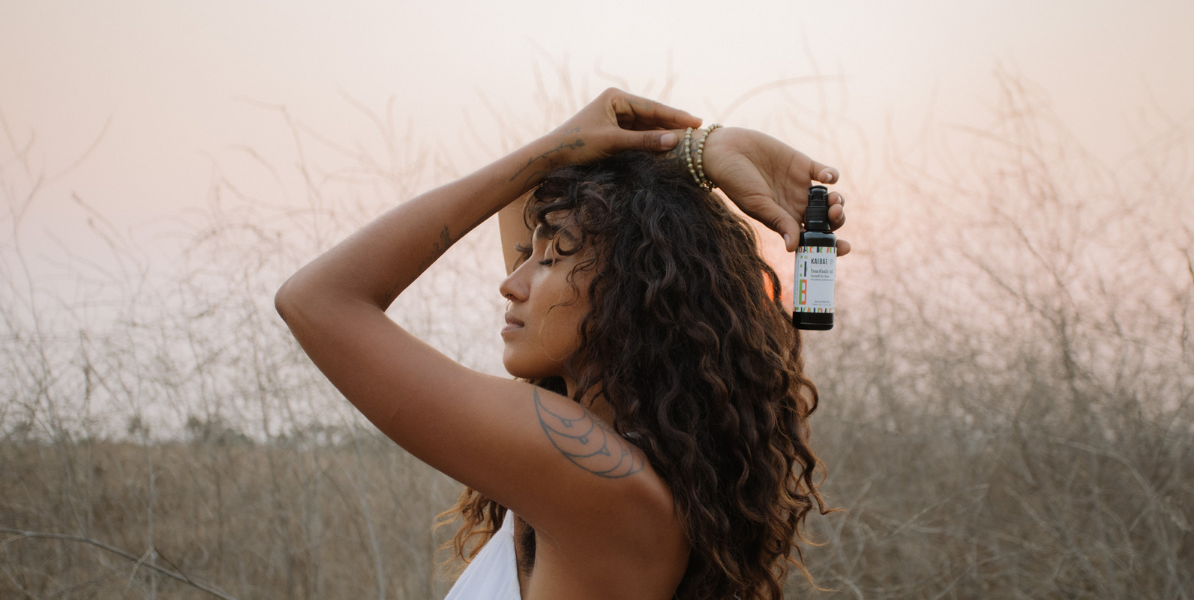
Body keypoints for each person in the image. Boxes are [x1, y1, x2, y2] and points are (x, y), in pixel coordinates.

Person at [275, 88, 849, 600]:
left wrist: (559, 148)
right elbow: (519, 202)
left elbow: (318, 299)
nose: (511, 281)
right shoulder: (618, 467)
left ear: (631, 295)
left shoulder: (596, 477)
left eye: (551, 258)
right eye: (530, 253)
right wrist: (687, 152)